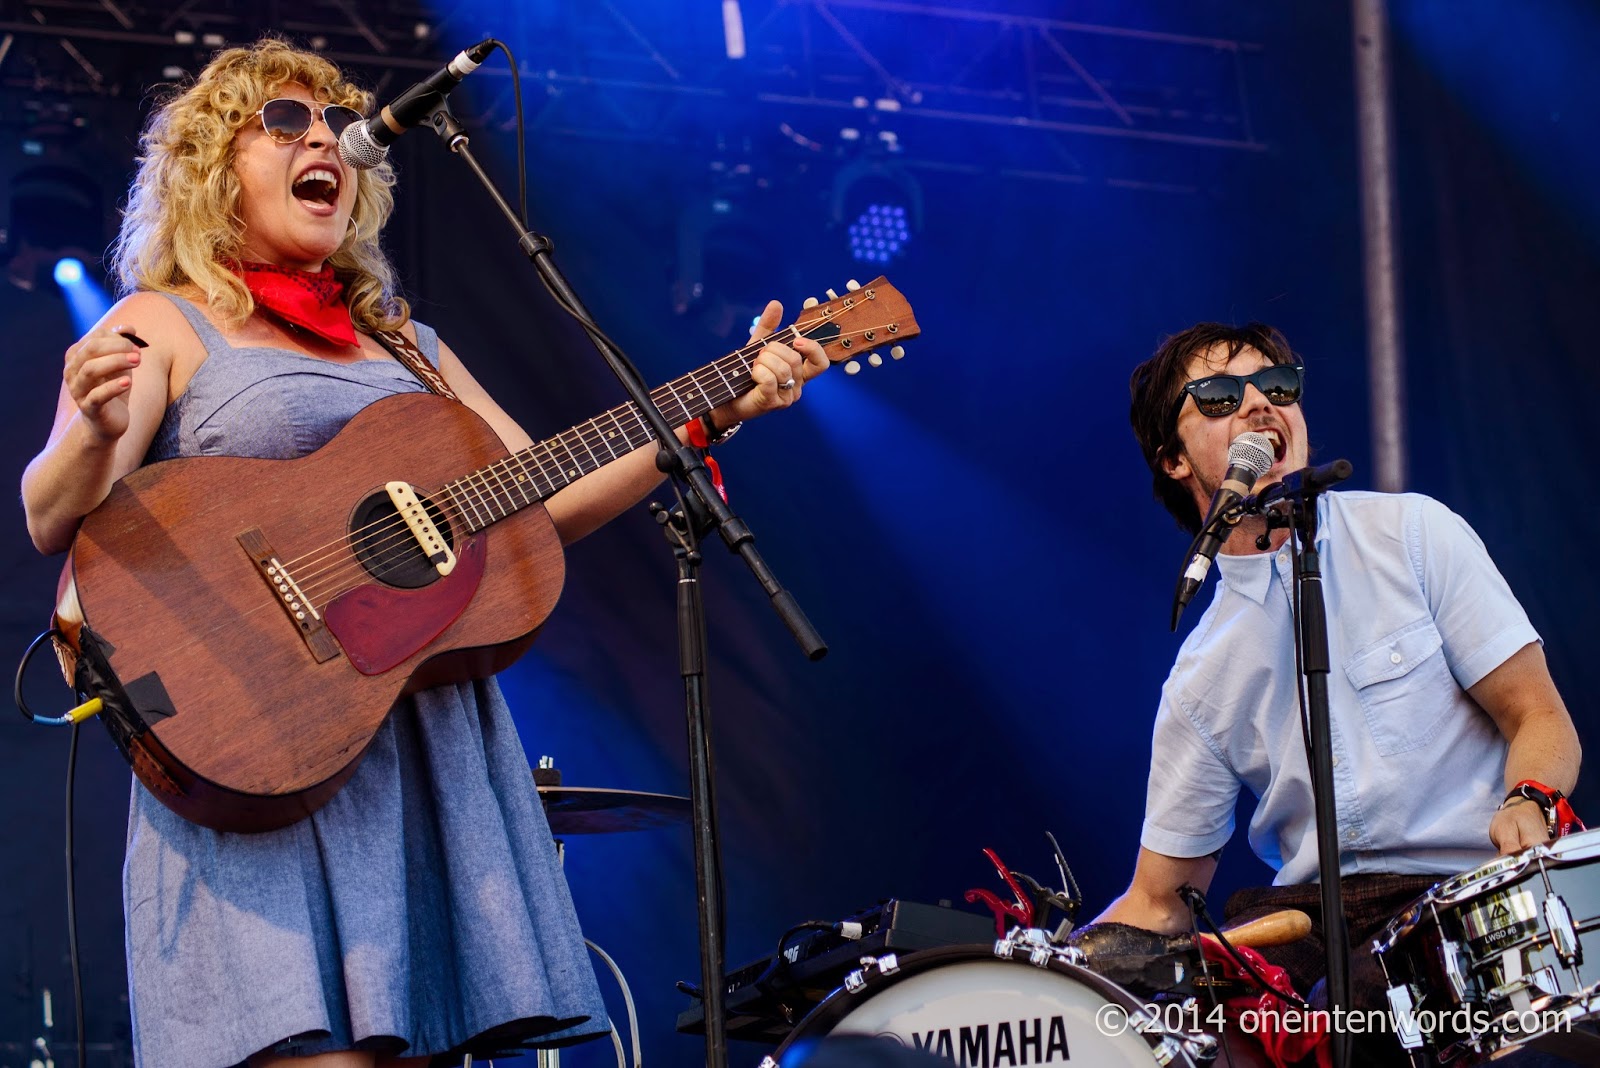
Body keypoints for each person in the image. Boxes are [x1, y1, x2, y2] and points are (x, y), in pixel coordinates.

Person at [19, 38, 829, 1068]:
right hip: (258, 732)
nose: (323, 140)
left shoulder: (411, 346)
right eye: (284, 122)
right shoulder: (163, 321)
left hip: (418, 748)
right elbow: (49, 514)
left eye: (335, 126)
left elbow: (541, 498)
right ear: (211, 168)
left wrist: (716, 408)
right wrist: (91, 435)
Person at [1094, 322, 1581, 1063]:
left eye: (1277, 385)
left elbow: (1540, 715)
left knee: (1361, 1009)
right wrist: (1045, 973)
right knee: (1204, 1029)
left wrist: (1530, 798)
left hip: (1464, 899)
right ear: (1173, 459)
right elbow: (1159, 902)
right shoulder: (1199, 677)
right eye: (1220, 396)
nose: (1260, 404)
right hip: (1313, 930)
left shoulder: (1413, 534)